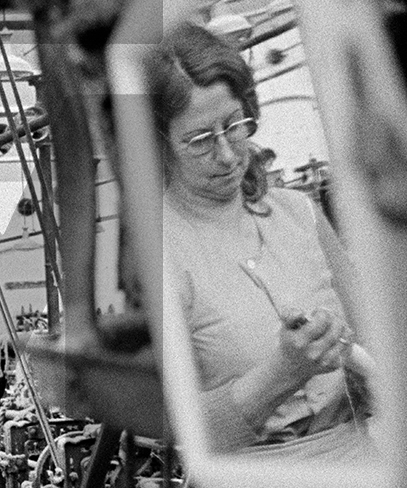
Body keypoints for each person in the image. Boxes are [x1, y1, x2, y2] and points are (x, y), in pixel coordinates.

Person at [156, 27, 369, 455]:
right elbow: (179, 437)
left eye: (234, 126)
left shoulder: (298, 214)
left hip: (358, 458)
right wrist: (282, 373)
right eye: (200, 141)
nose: (228, 155)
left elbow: (376, 343)